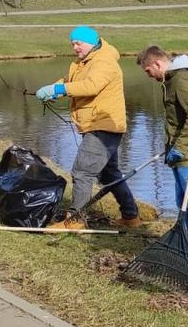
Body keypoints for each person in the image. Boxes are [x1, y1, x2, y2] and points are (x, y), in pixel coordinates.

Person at [34, 25, 140, 229]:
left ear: (91, 42)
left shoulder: (104, 61)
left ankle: (75, 220)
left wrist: (60, 89)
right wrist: (55, 89)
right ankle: (130, 216)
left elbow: (91, 86)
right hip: (93, 124)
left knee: (82, 172)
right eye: (72, 43)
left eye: (78, 43)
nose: (75, 47)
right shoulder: (84, 62)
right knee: (110, 174)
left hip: (103, 125)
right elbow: (73, 81)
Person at [135, 45, 188, 267]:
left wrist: (182, 147)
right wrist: (170, 146)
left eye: (148, 71)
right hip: (180, 155)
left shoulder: (181, 80)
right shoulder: (171, 81)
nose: (149, 75)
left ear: (156, 64)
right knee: (182, 201)